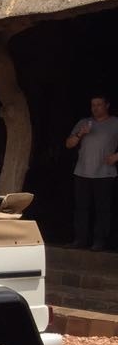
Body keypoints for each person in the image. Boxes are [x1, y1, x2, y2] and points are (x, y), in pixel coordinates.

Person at [64, 95, 118, 250]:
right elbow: (68, 144)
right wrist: (81, 134)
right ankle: (80, 240)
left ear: (107, 105)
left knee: (102, 209)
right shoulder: (84, 122)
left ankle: (99, 242)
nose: (95, 108)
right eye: (93, 105)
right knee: (81, 208)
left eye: (99, 104)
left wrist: (116, 156)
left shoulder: (115, 123)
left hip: (105, 173)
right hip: (82, 172)